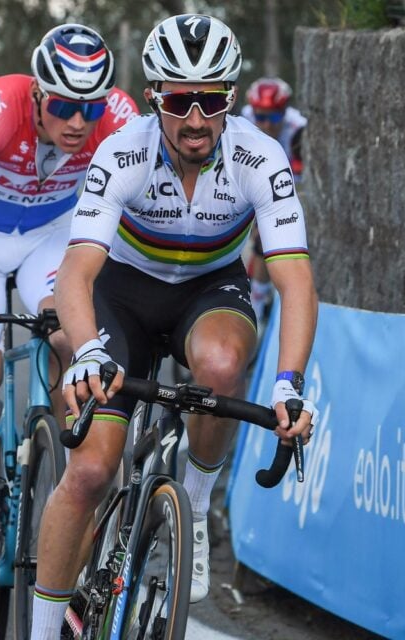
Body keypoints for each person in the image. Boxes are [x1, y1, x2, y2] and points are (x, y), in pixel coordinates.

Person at [29, 14, 319, 636]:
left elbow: (295, 282)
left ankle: (192, 496)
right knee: (89, 472)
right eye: (179, 100)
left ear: (229, 100)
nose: (194, 118)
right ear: (155, 97)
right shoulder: (122, 150)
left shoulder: (259, 157)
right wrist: (85, 352)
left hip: (209, 290)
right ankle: (43, 624)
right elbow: (77, 274)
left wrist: (291, 383)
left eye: (209, 100)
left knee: (220, 366)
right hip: (122, 295)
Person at [0, 23, 138, 603]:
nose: (78, 122)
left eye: (89, 108)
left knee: (75, 341)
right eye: (66, 105)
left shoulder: (114, 118)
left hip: (53, 237)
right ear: (40, 94)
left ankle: (74, 482)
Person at [241, 77, 307, 320]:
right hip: (254, 188)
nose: (267, 125)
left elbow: (301, 181)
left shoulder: (298, 128)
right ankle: (256, 303)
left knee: (269, 241)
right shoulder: (244, 120)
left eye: (274, 118)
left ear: (284, 113)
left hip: (289, 191)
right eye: (261, 117)